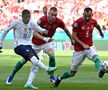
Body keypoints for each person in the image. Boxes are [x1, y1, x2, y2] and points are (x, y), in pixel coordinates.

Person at [5, 7, 73, 89]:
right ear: (48, 14)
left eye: (55, 15)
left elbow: (66, 29)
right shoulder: (42, 20)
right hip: (35, 43)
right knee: (24, 61)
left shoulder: (59, 21)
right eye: (52, 15)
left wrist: (71, 39)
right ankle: (12, 75)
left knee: (52, 55)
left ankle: (51, 76)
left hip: (47, 42)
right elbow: (34, 33)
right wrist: (44, 38)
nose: (54, 17)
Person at [0, 9, 58, 89]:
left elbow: (37, 28)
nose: (27, 19)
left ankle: (28, 83)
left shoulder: (31, 22)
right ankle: (47, 69)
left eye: (29, 17)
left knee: (36, 62)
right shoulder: (16, 22)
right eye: (26, 17)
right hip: (19, 45)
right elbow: (5, 31)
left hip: (28, 45)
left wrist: (43, 31)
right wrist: (1, 44)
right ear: (22, 17)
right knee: (32, 57)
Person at [54, 7, 104, 87]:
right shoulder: (77, 23)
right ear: (83, 14)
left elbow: (97, 25)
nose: (87, 18)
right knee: (72, 73)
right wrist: (82, 44)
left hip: (89, 47)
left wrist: (101, 32)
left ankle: (101, 70)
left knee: (96, 57)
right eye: (85, 16)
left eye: (89, 16)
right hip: (79, 50)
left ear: (92, 15)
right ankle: (60, 77)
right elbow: (73, 36)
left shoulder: (93, 21)